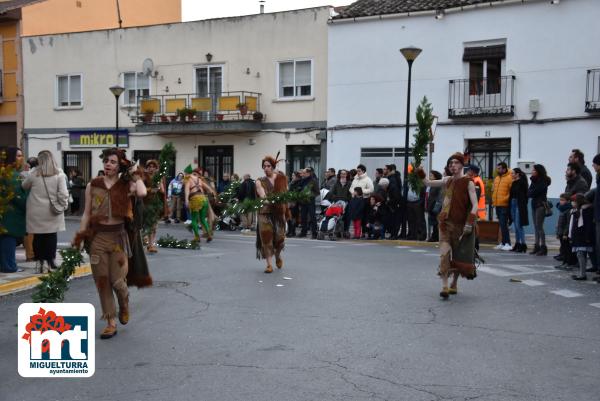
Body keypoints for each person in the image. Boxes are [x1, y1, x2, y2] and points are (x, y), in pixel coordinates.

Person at [72, 148, 147, 339]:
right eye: (106, 161)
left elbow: (142, 192)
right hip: (97, 239)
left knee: (117, 282)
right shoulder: (93, 184)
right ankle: (110, 322)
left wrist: (134, 174)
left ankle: (124, 302)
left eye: (113, 162)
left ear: (120, 165)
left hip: (118, 239)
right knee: (102, 282)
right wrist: (80, 236)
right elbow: (87, 213)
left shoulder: (127, 186)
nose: (108, 164)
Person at [422, 152, 478, 299]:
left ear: (462, 165)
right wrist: (420, 172)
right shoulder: (447, 180)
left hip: (461, 226)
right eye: (450, 163)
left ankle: (454, 282)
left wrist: (469, 223)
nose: (452, 165)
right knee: (444, 254)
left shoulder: (469, 182)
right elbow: (427, 183)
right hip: (445, 224)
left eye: (456, 163)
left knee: (459, 257)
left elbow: (475, 205)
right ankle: (444, 286)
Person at [22, 150, 69, 272]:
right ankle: (50, 262)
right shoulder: (59, 174)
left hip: (35, 211)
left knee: (38, 237)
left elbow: (24, 186)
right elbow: (63, 194)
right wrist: (63, 205)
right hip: (52, 211)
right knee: (51, 236)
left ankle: (40, 263)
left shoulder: (34, 174)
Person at [255, 155, 288, 273]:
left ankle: (278, 255)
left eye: (268, 166)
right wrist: (268, 200)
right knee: (266, 237)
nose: (266, 168)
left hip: (278, 213)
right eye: (264, 166)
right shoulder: (260, 181)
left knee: (280, 239)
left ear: (273, 167)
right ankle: (269, 264)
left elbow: (286, 194)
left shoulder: (281, 179)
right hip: (265, 212)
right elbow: (262, 195)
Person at [0, 147, 28, 273]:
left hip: (5, 213)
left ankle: (5, 265)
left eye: (21, 155)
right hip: (11, 214)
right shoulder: (13, 176)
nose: (21, 158)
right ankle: (10, 266)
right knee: (9, 240)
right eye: (18, 156)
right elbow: (20, 197)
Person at [185, 168, 215, 242]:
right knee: (202, 219)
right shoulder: (200, 180)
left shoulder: (188, 179)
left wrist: (186, 200)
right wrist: (213, 196)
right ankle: (209, 235)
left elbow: (187, 191)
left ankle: (197, 237)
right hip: (204, 199)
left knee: (194, 219)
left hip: (195, 199)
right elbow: (210, 189)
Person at [143, 159, 167, 252]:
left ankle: (151, 244)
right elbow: (140, 189)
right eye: (149, 167)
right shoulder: (144, 177)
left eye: (153, 167)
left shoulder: (158, 178)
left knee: (154, 225)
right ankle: (147, 240)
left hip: (156, 204)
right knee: (146, 224)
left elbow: (163, 191)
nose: (151, 169)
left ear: (156, 168)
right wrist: (150, 189)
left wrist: (158, 186)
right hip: (146, 203)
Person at [568, 194, 594, 281]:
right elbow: (573, 226)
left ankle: (582, 275)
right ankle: (582, 273)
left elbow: (588, 225)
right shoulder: (575, 211)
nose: (572, 203)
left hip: (583, 236)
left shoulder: (586, 210)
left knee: (580, 254)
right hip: (577, 236)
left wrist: (587, 236)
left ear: (578, 201)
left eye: (573, 201)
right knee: (580, 254)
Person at [528, 164, 552, 256]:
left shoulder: (543, 181)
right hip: (534, 204)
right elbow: (529, 192)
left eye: (534, 170)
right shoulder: (533, 180)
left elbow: (535, 192)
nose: (532, 171)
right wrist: (531, 192)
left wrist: (532, 192)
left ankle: (543, 247)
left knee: (539, 227)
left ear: (538, 171)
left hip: (540, 205)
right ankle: (537, 246)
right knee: (536, 226)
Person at [492, 162, 512, 251]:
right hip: (497, 204)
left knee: (504, 225)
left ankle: (508, 243)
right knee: (501, 224)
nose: (498, 170)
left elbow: (511, 192)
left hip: (504, 204)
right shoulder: (496, 178)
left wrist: (506, 199)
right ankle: (503, 243)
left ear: (504, 169)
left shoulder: (509, 178)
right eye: (497, 168)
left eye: (499, 168)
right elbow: (494, 190)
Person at [509, 168, 529, 253]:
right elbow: (511, 194)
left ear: (517, 174)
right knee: (515, 225)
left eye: (513, 173)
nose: (511, 175)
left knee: (519, 225)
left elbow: (526, 195)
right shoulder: (513, 183)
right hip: (513, 203)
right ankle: (517, 243)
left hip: (519, 204)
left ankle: (523, 244)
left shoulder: (523, 183)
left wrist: (523, 204)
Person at [298, 168, 319, 239]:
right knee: (303, 217)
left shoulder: (313, 181)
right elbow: (299, 189)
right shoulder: (302, 180)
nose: (302, 174)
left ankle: (314, 233)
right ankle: (303, 232)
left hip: (310, 201)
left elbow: (317, 192)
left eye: (304, 173)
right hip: (303, 201)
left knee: (312, 217)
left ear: (308, 173)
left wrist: (310, 194)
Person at [425, 170, 443, 242]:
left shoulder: (437, 185)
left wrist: (436, 207)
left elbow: (439, 197)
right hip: (430, 206)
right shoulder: (431, 185)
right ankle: (434, 236)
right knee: (433, 223)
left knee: (436, 223)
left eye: (431, 175)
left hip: (435, 207)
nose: (430, 177)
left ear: (435, 177)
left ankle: (435, 237)